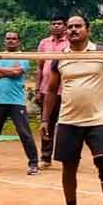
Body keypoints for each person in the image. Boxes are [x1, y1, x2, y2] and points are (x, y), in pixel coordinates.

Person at [42, 16, 103, 205]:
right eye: (70, 27)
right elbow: (51, 90)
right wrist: (44, 119)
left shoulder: (101, 53)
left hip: (98, 120)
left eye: (78, 26)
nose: (73, 30)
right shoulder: (59, 58)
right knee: (69, 168)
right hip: (69, 120)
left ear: (87, 30)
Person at [0, 30, 40, 174]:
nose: (10, 41)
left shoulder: (22, 56)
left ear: (19, 41)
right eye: (8, 39)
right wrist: (8, 71)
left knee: (24, 133)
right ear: (4, 41)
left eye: (13, 39)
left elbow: (16, 73)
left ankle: (34, 163)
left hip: (16, 102)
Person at [35, 16, 69, 169]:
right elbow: (39, 68)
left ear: (65, 26)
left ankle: (66, 156)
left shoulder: (70, 43)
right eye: (53, 24)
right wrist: (37, 89)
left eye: (59, 24)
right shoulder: (44, 43)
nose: (56, 26)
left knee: (66, 124)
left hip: (67, 91)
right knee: (47, 122)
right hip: (46, 90)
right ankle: (45, 157)